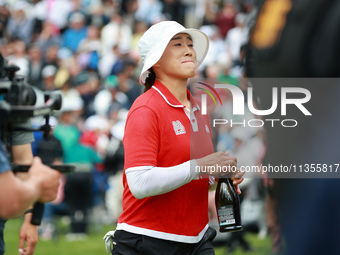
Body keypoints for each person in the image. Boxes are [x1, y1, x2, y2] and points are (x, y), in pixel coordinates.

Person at [104, 21, 244, 255]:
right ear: (155, 61)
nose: (189, 49)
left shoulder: (199, 108)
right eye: (177, 44)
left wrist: (217, 177)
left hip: (197, 239)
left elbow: (190, 176)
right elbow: (139, 183)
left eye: (190, 44)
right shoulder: (145, 109)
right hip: (146, 241)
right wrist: (200, 165)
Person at [0, 119, 61, 255]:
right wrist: (39, 183)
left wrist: (30, 219)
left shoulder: (16, 104)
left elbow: (23, 162)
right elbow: (8, 203)